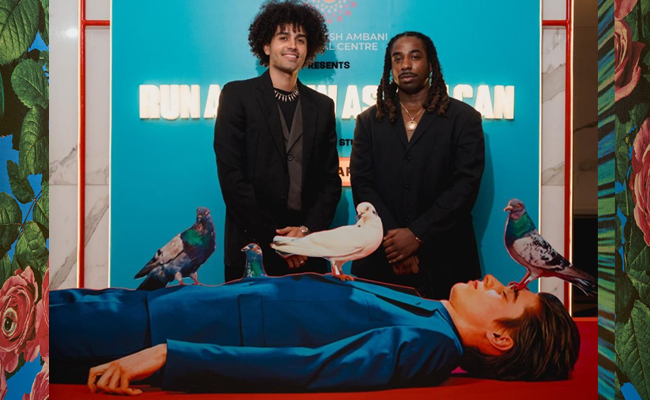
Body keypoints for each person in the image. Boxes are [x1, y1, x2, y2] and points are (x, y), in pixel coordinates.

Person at [50, 273, 580, 395]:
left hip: (159, 331)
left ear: (501, 338)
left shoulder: (430, 347)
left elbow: (309, 367)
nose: (493, 280)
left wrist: (174, 355)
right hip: (173, 306)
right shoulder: (432, 313)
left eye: (507, 295)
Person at [350, 31, 485, 299]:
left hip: (445, 259)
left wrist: (416, 235)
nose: (405, 65)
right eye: (397, 59)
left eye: (414, 57)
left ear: (431, 64)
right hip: (381, 257)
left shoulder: (463, 119)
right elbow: (363, 184)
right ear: (391, 68)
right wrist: (395, 244)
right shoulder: (368, 121)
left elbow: (465, 187)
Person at [214, 0, 341, 281]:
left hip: (307, 252)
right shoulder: (237, 96)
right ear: (266, 46)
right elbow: (232, 179)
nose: (292, 45)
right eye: (283, 37)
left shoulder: (322, 106)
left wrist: (305, 233)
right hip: (253, 248)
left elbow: (330, 182)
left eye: (300, 39)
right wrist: (278, 240)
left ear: (309, 49)